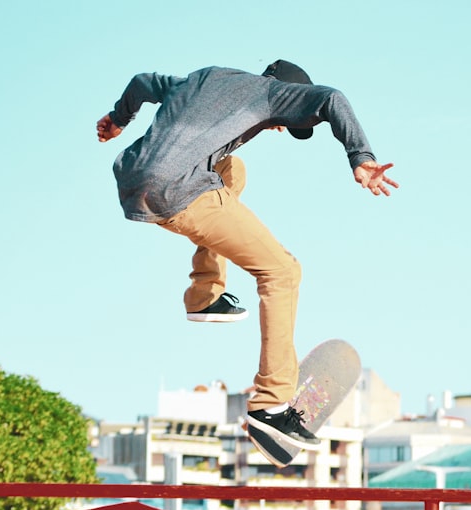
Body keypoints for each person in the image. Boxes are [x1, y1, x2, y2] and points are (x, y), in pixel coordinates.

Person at [97, 60, 397, 465]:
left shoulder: (201, 79)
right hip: (179, 192)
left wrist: (118, 118)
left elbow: (141, 82)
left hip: (132, 180)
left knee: (232, 169)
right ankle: (269, 407)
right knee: (283, 272)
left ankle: (204, 294)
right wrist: (360, 156)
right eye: (283, 124)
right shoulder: (273, 92)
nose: (277, 128)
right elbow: (331, 99)